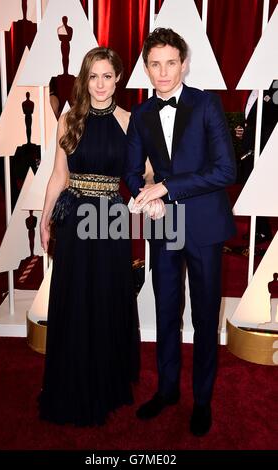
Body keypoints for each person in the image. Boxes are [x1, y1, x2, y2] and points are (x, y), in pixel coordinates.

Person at [124, 28, 236, 436]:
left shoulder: (207, 104)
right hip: (165, 225)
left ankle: (202, 400)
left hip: (205, 226)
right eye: (155, 64)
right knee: (167, 312)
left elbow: (226, 170)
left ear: (184, 64)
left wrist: (167, 187)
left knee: (205, 317)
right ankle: (168, 389)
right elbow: (132, 171)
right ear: (147, 68)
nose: (164, 72)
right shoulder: (140, 115)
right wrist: (143, 194)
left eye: (171, 62)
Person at [39, 46, 140, 426]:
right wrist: (47, 218)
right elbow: (58, 175)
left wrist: (151, 189)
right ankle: (73, 380)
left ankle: (106, 381)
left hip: (111, 218)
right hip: (75, 217)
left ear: (118, 78)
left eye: (107, 76)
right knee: (75, 296)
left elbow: (144, 172)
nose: (100, 84)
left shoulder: (131, 121)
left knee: (106, 296)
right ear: (86, 79)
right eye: (93, 76)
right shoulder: (70, 119)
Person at [235, 80, 278, 243]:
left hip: (263, 148)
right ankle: (259, 229)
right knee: (249, 187)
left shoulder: (275, 88)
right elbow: (251, 119)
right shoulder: (253, 89)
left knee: (258, 188)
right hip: (250, 147)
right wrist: (243, 130)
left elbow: (271, 121)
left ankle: (262, 230)